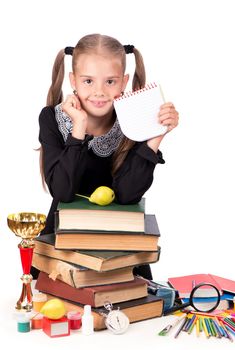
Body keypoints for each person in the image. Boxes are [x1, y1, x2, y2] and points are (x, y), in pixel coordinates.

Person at [37, 33, 179, 279]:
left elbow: (127, 195)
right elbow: (62, 191)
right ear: (73, 80)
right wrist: (78, 128)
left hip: (120, 244)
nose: (99, 92)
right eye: (88, 81)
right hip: (64, 242)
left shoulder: (134, 121)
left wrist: (155, 138)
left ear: (124, 82)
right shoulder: (51, 117)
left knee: (130, 301)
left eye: (110, 81)